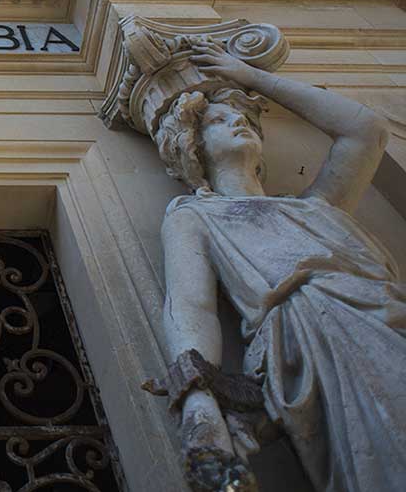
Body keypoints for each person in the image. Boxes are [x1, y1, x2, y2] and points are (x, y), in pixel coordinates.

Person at [154, 42, 406, 492]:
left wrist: (254, 78)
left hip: (386, 322)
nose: (236, 121)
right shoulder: (195, 215)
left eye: (245, 119)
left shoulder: (319, 206)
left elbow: (366, 130)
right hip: (314, 343)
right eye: (217, 120)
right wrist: (197, 398)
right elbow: (191, 308)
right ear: (193, 148)